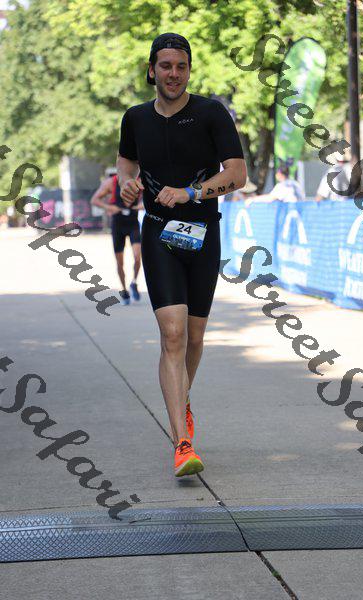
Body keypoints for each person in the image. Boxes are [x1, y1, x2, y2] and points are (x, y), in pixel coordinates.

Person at [117, 32, 246, 477]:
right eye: (166, 66)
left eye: (181, 66)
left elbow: (238, 174)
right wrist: (127, 184)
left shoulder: (211, 112)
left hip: (203, 234)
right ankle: (182, 441)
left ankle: (182, 397)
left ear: (188, 70)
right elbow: (127, 164)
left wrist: (192, 192)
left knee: (193, 337)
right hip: (158, 232)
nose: (174, 74)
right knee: (171, 335)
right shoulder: (135, 118)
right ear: (152, 70)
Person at [90, 168, 143, 304]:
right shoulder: (111, 182)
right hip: (118, 225)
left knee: (137, 256)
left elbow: (151, 199)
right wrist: (108, 207)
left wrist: (142, 205)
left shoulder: (139, 181)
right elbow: (94, 200)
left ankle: (134, 282)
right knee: (120, 262)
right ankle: (124, 290)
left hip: (133, 223)